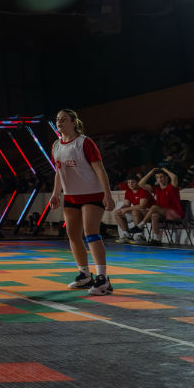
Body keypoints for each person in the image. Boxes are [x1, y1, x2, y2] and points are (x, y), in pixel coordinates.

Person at [48, 109, 115, 295]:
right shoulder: (56, 145)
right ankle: (84, 275)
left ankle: (103, 279)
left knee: (91, 233)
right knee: (72, 235)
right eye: (58, 119)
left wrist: (107, 194)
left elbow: (100, 170)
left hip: (92, 194)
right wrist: (56, 193)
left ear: (74, 122)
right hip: (71, 196)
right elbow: (59, 172)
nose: (59, 122)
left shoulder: (84, 142)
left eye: (64, 119)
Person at [134, 167, 184, 246]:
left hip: (175, 213)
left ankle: (141, 225)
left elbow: (174, 177)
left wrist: (165, 170)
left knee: (154, 207)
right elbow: (140, 184)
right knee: (154, 215)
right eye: (157, 177)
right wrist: (150, 172)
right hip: (162, 213)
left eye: (161, 177)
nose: (159, 179)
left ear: (166, 177)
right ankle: (156, 239)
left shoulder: (172, 187)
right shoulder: (156, 189)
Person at [113, 174, 151, 243]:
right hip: (137, 213)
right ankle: (127, 235)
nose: (130, 184)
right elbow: (126, 204)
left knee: (135, 211)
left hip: (149, 213)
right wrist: (121, 209)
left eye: (133, 182)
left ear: (137, 183)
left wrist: (126, 209)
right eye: (129, 182)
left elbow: (142, 206)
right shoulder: (128, 191)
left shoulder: (143, 191)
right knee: (117, 213)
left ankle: (140, 236)